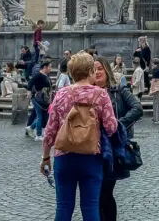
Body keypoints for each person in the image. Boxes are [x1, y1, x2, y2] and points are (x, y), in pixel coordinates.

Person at [41, 52, 118, 221]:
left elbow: (50, 131)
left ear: (71, 73)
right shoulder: (101, 95)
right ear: (91, 71)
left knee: (63, 207)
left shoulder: (61, 94)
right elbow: (111, 127)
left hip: (64, 156)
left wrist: (46, 157)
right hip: (91, 156)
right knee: (90, 207)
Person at [93, 56, 143, 221]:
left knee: (105, 192)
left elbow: (137, 108)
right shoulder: (87, 92)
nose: (97, 72)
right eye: (93, 69)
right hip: (92, 148)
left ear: (107, 70)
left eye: (100, 68)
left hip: (112, 149)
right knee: (96, 194)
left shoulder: (119, 90)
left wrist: (118, 125)